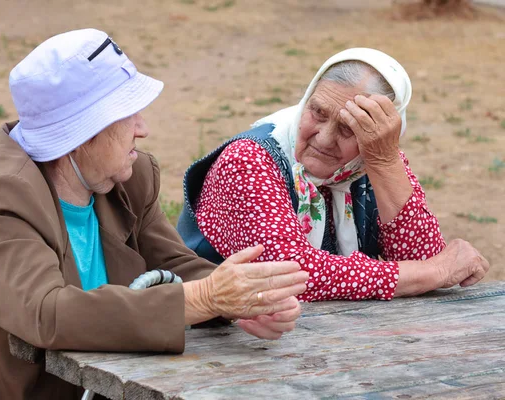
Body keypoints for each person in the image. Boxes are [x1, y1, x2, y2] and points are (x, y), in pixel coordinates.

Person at [0, 29, 310, 400]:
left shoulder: (125, 179)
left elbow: (173, 265)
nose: (143, 127)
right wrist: (205, 298)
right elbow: (47, 313)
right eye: (127, 112)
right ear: (82, 130)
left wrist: (242, 300)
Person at [178, 48, 490, 302]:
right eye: (318, 113)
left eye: (348, 128)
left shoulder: (373, 158)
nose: (324, 139)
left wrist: (384, 162)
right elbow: (291, 275)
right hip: (217, 341)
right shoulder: (247, 160)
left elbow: (427, 257)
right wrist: (431, 272)